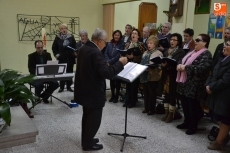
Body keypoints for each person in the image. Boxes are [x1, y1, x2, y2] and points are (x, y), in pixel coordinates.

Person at [74, 28, 127, 151]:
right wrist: (120, 63)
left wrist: (104, 65)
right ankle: (87, 144)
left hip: (85, 89)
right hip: (93, 92)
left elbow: (94, 67)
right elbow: (107, 73)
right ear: (99, 41)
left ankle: (86, 139)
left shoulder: (83, 48)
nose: (106, 44)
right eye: (105, 41)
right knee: (94, 119)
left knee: (86, 117)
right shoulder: (95, 52)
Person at [176, 34, 212, 135]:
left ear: (204, 43)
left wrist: (185, 68)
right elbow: (182, 60)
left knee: (193, 106)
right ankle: (186, 122)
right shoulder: (191, 51)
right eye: (195, 39)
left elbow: (202, 69)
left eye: (198, 40)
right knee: (185, 104)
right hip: (184, 83)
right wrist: (179, 64)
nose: (195, 41)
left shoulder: (206, 54)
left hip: (195, 85)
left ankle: (193, 125)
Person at [205, 40, 230, 150]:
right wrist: (208, 85)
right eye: (225, 44)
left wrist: (212, 87)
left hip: (226, 95)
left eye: (228, 45)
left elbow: (226, 81)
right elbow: (213, 73)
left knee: (225, 119)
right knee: (221, 118)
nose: (224, 46)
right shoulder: (222, 58)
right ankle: (223, 138)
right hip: (217, 93)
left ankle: (219, 142)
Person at [160, 33, 185, 122]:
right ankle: (166, 112)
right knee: (166, 94)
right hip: (165, 75)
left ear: (178, 42)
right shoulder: (166, 50)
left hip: (173, 75)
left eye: (174, 40)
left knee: (172, 95)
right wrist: (163, 64)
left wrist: (169, 65)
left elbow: (179, 62)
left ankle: (171, 114)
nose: (172, 41)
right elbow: (163, 60)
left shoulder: (180, 51)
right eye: (171, 39)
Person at [123, 29, 145, 108]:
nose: (134, 35)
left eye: (135, 33)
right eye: (133, 33)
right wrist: (126, 56)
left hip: (136, 66)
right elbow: (124, 52)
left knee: (134, 85)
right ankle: (127, 100)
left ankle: (133, 101)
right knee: (128, 84)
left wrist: (133, 57)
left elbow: (141, 56)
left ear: (138, 36)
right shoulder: (128, 43)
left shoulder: (140, 44)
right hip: (128, 65)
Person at [140, 35, 162, 115]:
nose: (149, 44)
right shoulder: (145, 52)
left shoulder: (158, 53)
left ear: (155, 44)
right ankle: (146, 107)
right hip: (145, 74)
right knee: (146, 92)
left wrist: (152, 67)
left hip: (153, 75)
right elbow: (142, 61)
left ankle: (151, 109)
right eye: (148, 43)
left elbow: (160, 66)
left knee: (151, 93)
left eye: (151, 43)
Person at [52, 23, 76, 93]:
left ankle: (69, 87)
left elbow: (75, 46)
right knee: (62, 73)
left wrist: (74, 53)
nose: (63, 30)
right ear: (60, 30)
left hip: (70, 58)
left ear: (67, 29)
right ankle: (61, 87)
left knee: (69, 72)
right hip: (61, 58)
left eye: (65, 28)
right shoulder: (57, 38)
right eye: (62, 28)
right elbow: (54, 48)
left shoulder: (71, 37)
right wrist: (57, 55)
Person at [104, 30, 124, 103]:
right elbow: (105, 53)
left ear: (120, 36)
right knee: (112, 81)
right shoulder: (109, 43)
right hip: (109, 64)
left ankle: (116, 96)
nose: (116, 36)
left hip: (117, 64)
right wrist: (108, 61)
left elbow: (118, 55)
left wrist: (110, 61)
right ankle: (112, 95)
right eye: (115, 35)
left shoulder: (122, 44)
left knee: (117, 81)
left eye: (118, 35)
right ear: (113, 35)